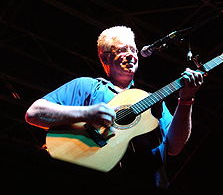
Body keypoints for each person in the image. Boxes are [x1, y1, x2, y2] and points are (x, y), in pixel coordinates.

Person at [25, 26, 204, 191]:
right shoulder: (87, 86)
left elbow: (175, 147)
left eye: (133, 50)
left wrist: (186, 100)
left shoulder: (152, 100)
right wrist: (87, 113)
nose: (131, 55)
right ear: (105, 57)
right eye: (122, 50)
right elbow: (34, 113)